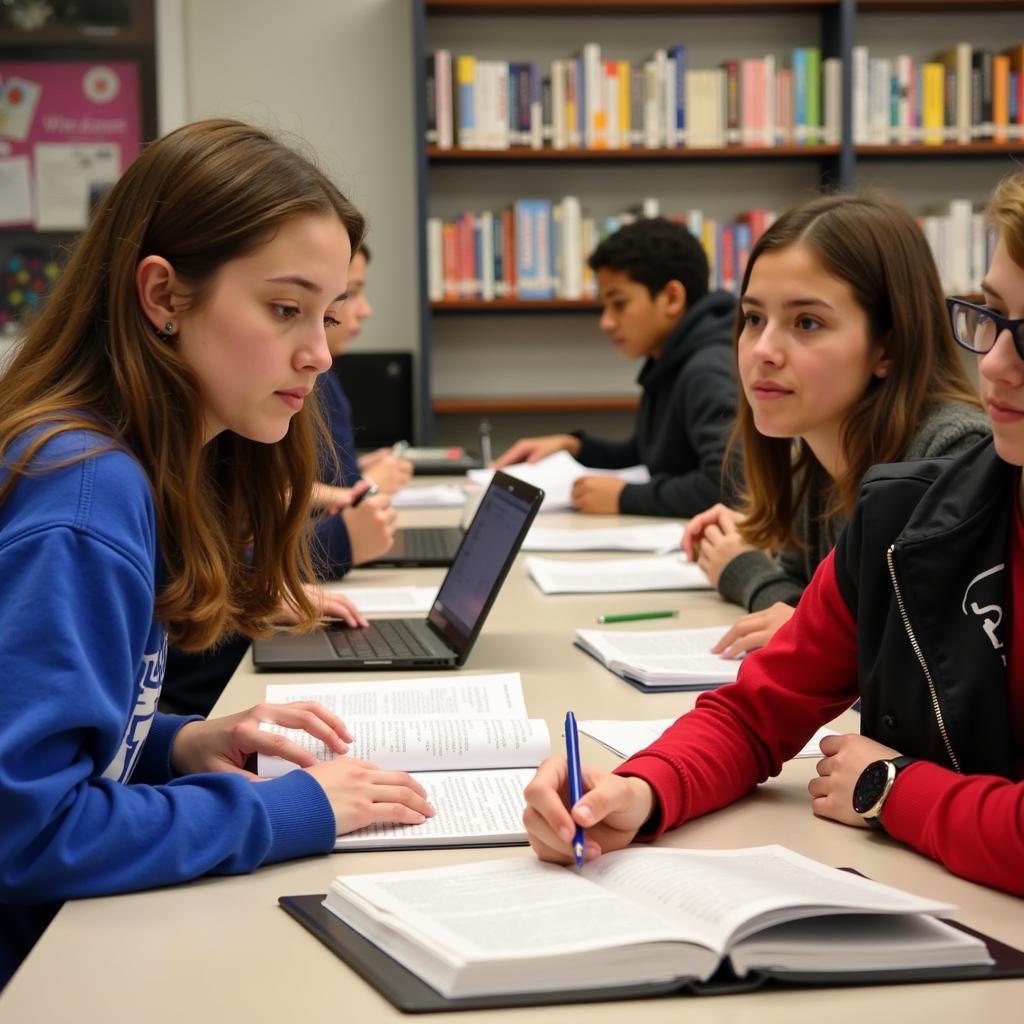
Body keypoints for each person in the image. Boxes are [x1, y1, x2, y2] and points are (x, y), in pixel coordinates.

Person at [0, 119, 435, 987]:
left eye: (327, 313)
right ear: (164, 296)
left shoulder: (131, 462)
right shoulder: (87, 500)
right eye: (284, 309)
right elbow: (28, 834)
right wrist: (282, 811)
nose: (317, 353)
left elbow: (59, 752)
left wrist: (177, 743)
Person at [521, 171, 1024, 898]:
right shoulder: (914, 506)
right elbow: (757, 714)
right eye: (992, 318)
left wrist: (889, 787)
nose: (997, 364)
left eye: (808, 323)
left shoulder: (938, 458)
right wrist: (638, 790)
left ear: (889, 343)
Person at [682, 193, 989, 657]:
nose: (763, 349)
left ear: (888, 346)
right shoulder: (821, 445)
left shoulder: (949, 456)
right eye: (753, 318)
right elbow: (810, 599)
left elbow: (929, 665)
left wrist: (747, 574)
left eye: (806, 322)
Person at [493, 217, 738, 517]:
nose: (606, 322)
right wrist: (576, 448)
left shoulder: (707, 370)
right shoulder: (671, 360)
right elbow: (653, 457)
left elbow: (730, 488)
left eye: (619, 304)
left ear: (672, 298)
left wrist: (625, 498)